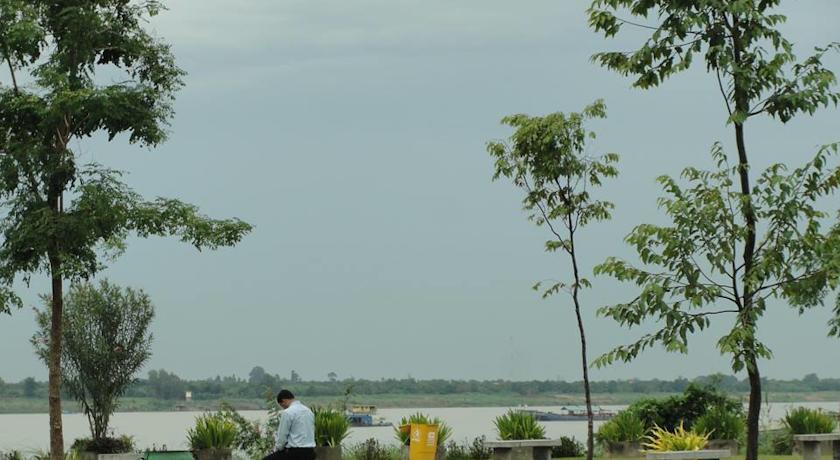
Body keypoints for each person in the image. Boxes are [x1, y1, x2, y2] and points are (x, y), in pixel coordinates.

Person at [262, 389, 316, 460]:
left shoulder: (288, 412)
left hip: (295, 453)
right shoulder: (309, 411)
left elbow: (282, 437)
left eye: (282, 406)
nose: (283, 408)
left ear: (283, 401)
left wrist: (278, 449)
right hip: (310, 452)